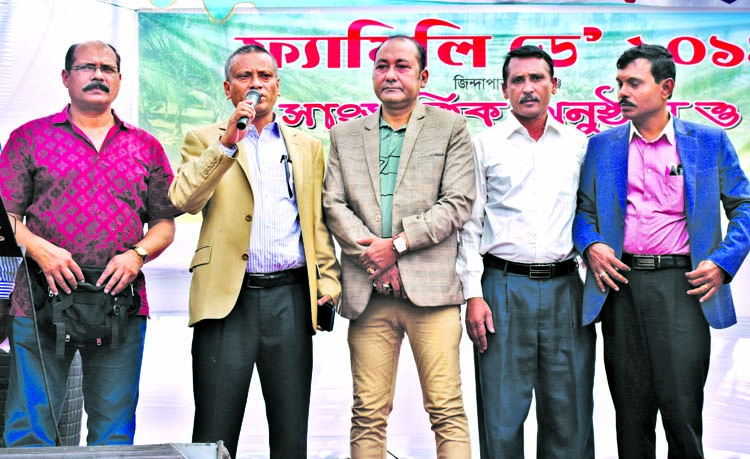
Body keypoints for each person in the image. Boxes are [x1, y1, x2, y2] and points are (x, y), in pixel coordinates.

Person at [573, 43, 750, 458]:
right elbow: (583, 212)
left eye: (633, 83)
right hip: (620, 288)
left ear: (666, 87)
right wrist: (592, 244)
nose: (621, 92)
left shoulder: (707, 141)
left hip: (684, 288)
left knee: (681, 413)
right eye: (619, 83)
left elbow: (743, 205)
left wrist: (724, 262)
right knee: (631, 418)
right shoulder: (602, 146)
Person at [0, 40, 178, 446]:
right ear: (66, 78)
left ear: (119, 79)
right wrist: (40, 249)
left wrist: (137, 255)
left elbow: (165, 223)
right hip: (41, 299)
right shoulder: (29, 138)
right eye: (86, 67)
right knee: (30, 429)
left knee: (113, 432)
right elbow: (6, 217)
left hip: (120, 300)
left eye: (108, 68)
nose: (98, 75)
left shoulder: (145, 145)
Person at [168, 44, 341, 459]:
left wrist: (330, 279)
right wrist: (227, 144)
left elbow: (315, 221)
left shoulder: (307, 146)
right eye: (245, 77)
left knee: (290, 424)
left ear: (278, 86)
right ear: (229, 88)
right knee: (214, 427)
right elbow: (183, 199)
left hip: (290, 297)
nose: (255, 84)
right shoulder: (204, 140)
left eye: (265, 76)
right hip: (228, 300)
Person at [323, 35, 475, 459]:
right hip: (368, 294)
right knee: (368, 412)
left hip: (432, 295)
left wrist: (398, 246)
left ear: (423, 76)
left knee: (446, 409)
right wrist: (375, 257)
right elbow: (333, 205)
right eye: (381, 65)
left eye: (402, 66)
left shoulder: (451, 128)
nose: (390, 74)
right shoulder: (345, 135)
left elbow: (457, 204)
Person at [457, 45, 595, 458]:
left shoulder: (577, 144)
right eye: (518, 80)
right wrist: (473, 294)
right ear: (504, 89)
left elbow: (588, 215)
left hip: (566, 289)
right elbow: (469, 225)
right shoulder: (484, 145)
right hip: (501, 289)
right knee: (501, 417)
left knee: (569, 416)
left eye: (537, 78)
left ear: (554, 85)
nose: (528, 88)